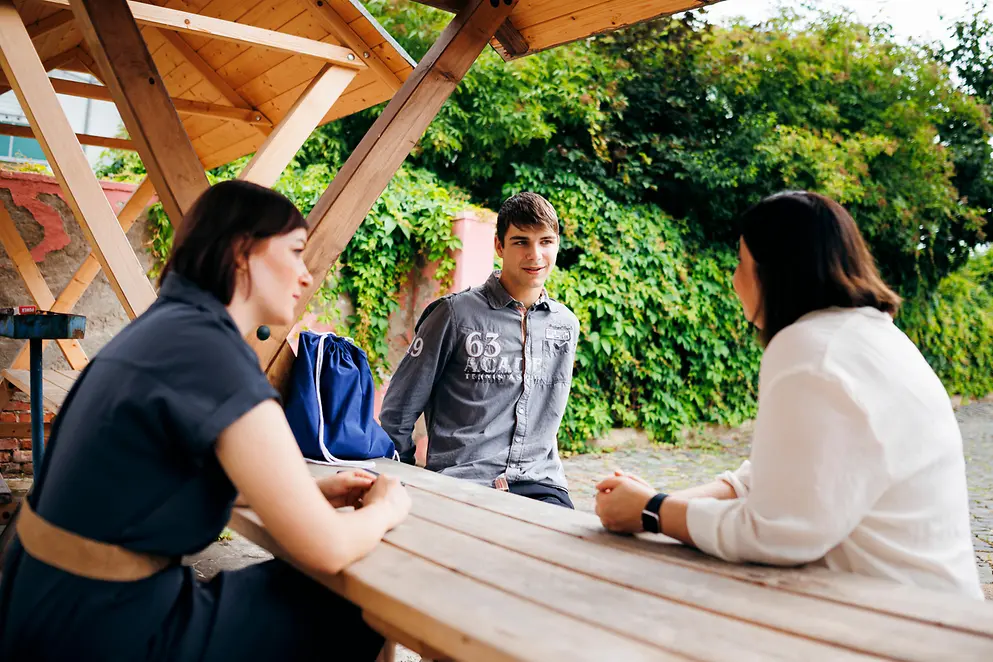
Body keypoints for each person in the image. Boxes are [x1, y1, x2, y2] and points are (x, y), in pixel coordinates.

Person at [0, 180, 412, 660]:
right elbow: (328, 549)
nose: (306, 274)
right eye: (296, 251)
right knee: (360, 598)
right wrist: (385, 508)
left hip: (40, 605)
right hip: (107, 630)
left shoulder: (164, 329)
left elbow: (166, 477)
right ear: (241, 252)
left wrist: (311, 492)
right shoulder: (213, 357)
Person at [594, 191, 984, 599]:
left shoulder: (811, 349)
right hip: (938, 609)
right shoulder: (870, 337)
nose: (733, 280)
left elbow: (776, 534)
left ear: (773, 271)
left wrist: (652, 511)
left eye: (741, 263)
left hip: (897, 622)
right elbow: (777, 478)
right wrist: (654, 499)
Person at [380, 192, 580, 508]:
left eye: (545, 241)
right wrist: (403, 477)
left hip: (540, 482)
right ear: (499, 246)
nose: (535, 254)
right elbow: (399, 409)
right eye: (520, 242)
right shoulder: (454, 315)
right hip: (464, 482)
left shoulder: (565, 325)